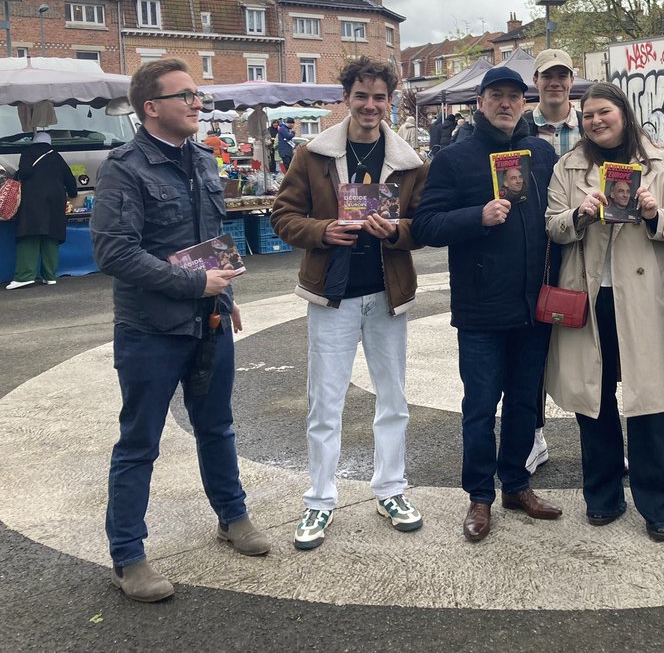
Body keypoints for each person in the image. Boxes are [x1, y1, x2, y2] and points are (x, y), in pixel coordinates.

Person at [90, 59, 269, 603]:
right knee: (140, 441)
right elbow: (113, 252)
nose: (198, 103)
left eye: (199, 94)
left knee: (217, 426)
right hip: (150, 329)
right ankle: (128, 556)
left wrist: (225, 293)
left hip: (209, 323)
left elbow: (210, 239)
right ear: (151, 107)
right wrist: (198, 287)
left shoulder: (202, 159)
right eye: (186, 95)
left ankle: (231, 516)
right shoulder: (125, 168)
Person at [271, 57, 428, 550]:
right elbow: (283, 215)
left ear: (390, 102)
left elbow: (423, 224)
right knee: (325, 401)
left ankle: (391, 489)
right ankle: (319, 499)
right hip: (332, 296)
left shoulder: (408, 162)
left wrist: (398, 230)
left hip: (386, 294)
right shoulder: (312, 155)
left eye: (380, 97)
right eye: (361, 96)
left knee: (393, 399)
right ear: (347, 98)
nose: (370, 106)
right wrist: (323, 230)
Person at [413, 66, 563, 542]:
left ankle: (516, 485)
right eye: (496, 95)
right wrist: (475, 217)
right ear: (479, 101)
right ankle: (479, 497)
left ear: (525, 103)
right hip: (481, 305)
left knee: (524, 402)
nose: (506, 104)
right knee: (480, 405)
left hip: (532, 303)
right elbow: (426, 225)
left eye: (514, 97)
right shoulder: (455, 159)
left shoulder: (541, 153)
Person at [546, 82, 664, 542]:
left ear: (623, 114)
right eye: (587, 115)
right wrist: (579, 214)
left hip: (643, 297)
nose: (595, 121)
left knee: (650, 400)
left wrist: (653, 213)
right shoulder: (567, 166)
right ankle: (603, 495)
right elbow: (552, 226)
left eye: (603, 112)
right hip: (589, 296)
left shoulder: (661, 163)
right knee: (595, 399)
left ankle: (661, 503)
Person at [520, 49, 584, 474]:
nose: (555, 83)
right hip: (536, 245)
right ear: (537, 81)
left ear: (571, 79)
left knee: (592, 345)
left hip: (586, 241)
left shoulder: (593, 124)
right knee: (534, 346)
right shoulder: (521, 128)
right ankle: (535, 435)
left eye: (562, 75)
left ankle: (603, 435)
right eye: (547, 76)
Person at [5, 131, 77, 290]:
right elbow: (70, 181)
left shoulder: (28, 153)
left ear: (34, 141)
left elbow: (25, 172)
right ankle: (50, 276)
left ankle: (24, 276)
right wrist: (73, 195)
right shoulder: (57, 156)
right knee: (51, 236)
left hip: (33, 200)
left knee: (29, 235)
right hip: (56, 202)